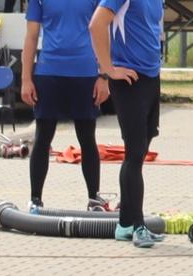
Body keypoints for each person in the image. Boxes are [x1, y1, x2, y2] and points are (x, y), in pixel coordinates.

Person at [20, 0, 104, 213]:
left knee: (87, 138)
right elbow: (30, 37)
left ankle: (94, 199)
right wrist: (25, 79)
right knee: (43, 137)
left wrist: (104, 76)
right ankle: (35, 199)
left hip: (85, 73)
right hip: (49, 73)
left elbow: (105, 30)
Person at [91, 0, 162, 247]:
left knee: (140, 153)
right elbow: (96, 24)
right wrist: (107, 69)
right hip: (129, 81)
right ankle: (139, 226)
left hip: (151, 78)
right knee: (133, 153)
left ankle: (124, 224)